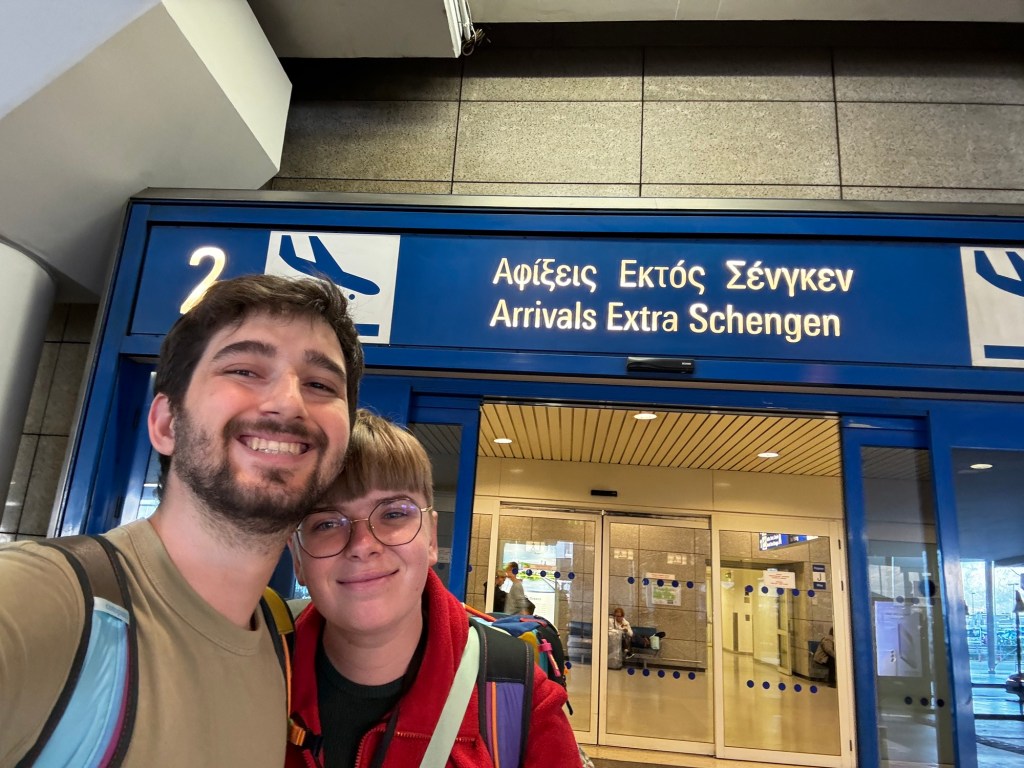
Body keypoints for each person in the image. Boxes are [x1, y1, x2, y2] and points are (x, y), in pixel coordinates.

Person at [0, 274, 363, 766]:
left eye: (320, 384)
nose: (289, 402)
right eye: (244, 370)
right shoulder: (43, 604)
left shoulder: (282, 645)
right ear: (167, 424)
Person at [287, 410, 580, 767]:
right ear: (297, 556)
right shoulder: (248, 675)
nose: (362, 544)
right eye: (327, 523)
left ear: (431, 539)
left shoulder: (525, 704)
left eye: (393, 514)